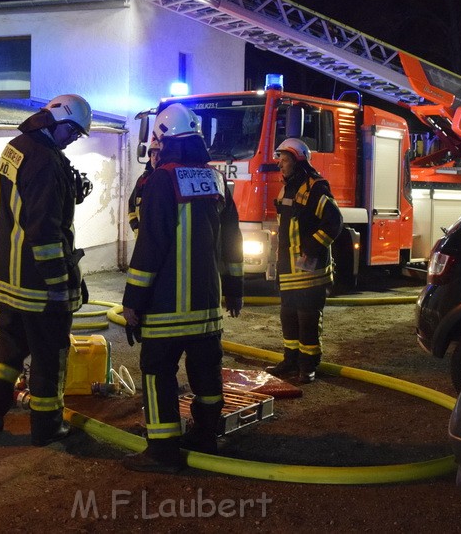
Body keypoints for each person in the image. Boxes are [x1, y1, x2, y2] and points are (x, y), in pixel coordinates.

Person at [121, 103, 245, 473]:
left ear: (163, 138)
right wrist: (234, 288)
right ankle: (206, 437)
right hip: (206, 309)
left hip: (166, 306)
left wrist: (133, 301)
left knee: (158, 371)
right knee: (206, 373)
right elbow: (232, 239)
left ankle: (162, 451)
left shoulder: (161, 179)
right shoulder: (216, 179)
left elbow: (151, 244)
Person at [0, 94, 92, 446]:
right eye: (72, 132)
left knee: (8, 351)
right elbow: (44, 231)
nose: (73, 139)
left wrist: (68, 189)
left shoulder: (16, 147)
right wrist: (59, 285)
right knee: (49, 358)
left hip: (9, 280)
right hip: (38, 285)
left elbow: (16, 205)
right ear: (56, 120)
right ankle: (47, 428)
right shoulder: (46, 161)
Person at [265, 138, 343, 384]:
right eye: (280, 159)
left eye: (284, 160)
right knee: (288, 315)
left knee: (307, 317)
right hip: (289, 267)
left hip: (311, 270)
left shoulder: (316, 188)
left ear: (298, 161)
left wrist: (311, 248)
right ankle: (291, 360)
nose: (280, 164)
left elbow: (334, 223)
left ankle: (308, 365)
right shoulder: (288, 187)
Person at [127, 136, 160, 237]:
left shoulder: (168, 181)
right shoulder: (143, 180)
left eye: (159, 154)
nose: (155, 158)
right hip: (142, 239)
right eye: (153, 154)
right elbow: (131, 206)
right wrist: (136, 227)